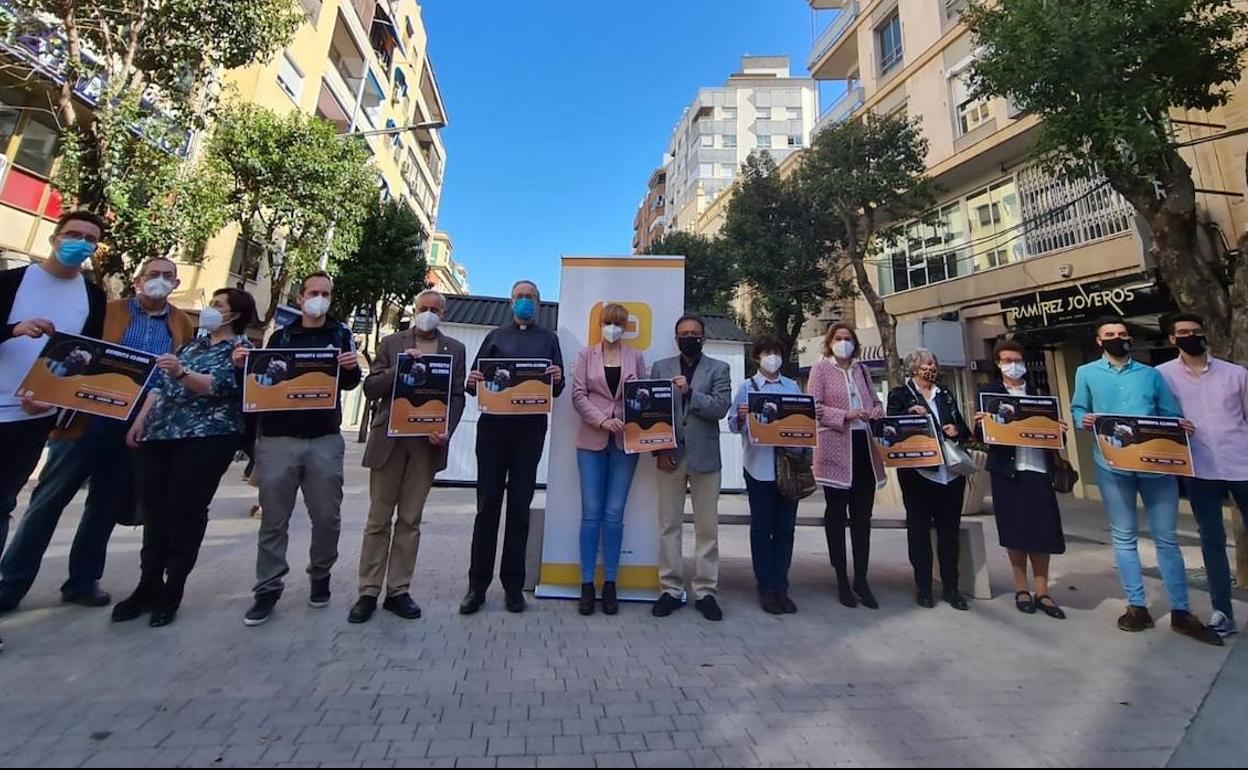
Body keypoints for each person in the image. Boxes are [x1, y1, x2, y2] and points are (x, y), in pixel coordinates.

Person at [0, 258, 193, 613]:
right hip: (85, 418)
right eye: (153, 275)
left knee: (104, 506)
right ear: (137, 281)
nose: (160, 281)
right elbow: (74, 350)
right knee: (48, 501)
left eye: (168, 276)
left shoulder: (182, 322)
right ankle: (11, 584)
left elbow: (172, 376)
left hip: (133, 422)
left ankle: (83, 581)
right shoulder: (107, 310)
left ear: (177, 283)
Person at [1071, 316, 1221, 645]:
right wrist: (1085, 419)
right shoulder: (1087, 373)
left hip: (1155, 466)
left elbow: (1168, 412)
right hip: (1113, 466)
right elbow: (1078, 408)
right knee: (1124, 537)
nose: (1117, 338)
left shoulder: (1150, 375)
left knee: (1166, 538)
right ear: (1099, 341)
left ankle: (1181, 610)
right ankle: (1137, 606)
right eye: (1109, 334)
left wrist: (1179, 425)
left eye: (1122, 334)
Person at [112, 288, 257, 628]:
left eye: (219, 306)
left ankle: (172, 588)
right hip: (160, 433)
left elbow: (215, 386)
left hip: (206, 438)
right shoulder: (191, 344)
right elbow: (159, 384)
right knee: (154, 509)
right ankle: (148, 583)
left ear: (235, 315)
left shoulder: (241, 351)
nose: (211, 310)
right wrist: (141, 419)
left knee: (184, 511)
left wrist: (180, 373)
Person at [243, 272, 361, 627]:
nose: (319, 299)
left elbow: (352, 382)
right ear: (301, 298)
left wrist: (352, 369)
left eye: (325, 293)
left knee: (327, 516)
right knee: (274, 519)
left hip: (324, 438)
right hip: (280, 438)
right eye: (314, 292)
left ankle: (320, 573)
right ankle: (267, 587)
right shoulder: (282, 336)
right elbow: (262, 381)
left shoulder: (341, 335)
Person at [349, 290, 467, 624]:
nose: (428, 313)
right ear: (414, 311)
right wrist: (399, 369)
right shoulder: (391, 343)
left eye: (434, 309)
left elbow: (456, 396)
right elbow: (370, 388)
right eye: (423, 308)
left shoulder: (455, 350)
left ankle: (398, 590)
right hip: (389, 441)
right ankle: (368, 591)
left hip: (426, 445)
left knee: (410, 520)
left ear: (443, 314)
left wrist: (447, 428)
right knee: (378, 519)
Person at [460, 280, 564, 615]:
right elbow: (474, 383)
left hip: (529, 434)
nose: (524, 302)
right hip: (492, 432)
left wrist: (557, 377)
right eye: (519, 297)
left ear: (538, 302)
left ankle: (513, 586)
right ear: (511, 301)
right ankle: (477, 587)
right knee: (486, 507)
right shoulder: (495, 337)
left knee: (519, 508)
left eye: (530, 298)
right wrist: (472, 381)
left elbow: (558, 388)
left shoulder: (549, 339)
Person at [1158, 313, 1248, 638]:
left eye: (1196, 331)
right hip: (1199, 469)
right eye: (1183, 332)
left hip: (1242, 465)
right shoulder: (1162, 376)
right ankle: (1223, 612)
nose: (1191, 336)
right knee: (1212, 542)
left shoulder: (1235, 374)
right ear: (1172, 339)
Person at [974, 340, 1067, 620]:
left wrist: (1058, 428)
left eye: (1016, 359)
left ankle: (1043, 590)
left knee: (1042, 530)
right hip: (1008, 470)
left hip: (1039, 469)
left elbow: (1056, 437)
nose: (1012, 365)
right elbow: (981, 438)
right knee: (1015, 531)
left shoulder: (1039, 394)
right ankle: (1021, 588)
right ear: (998, 364)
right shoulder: (990, 393)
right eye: (1006, 360)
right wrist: (980, 425)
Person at [650, 314, 732, 621]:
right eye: (684, 333)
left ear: (703, 338)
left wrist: (691, 394)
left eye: (694, 333)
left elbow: (721, 408)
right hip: (669, 454)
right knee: (668, 525)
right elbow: (652, 411)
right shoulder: (661, 368)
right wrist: (659, 448)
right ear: (676, 338)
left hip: (706, 457)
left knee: (706, 528)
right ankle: (670, 589)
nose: (689, 337)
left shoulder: (719, 369)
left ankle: (705, 591)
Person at [571, 303, 647, 616]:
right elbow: (578, 395)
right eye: (608, 322)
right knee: (591, 513)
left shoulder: (636, 358)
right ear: (600, 324)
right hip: (591, 440)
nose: (613, 327)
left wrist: (625, 418)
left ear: (626, 326)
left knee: (614, 514)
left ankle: (611, 584)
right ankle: (587, 584)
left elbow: (643, 395)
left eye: (618, 323)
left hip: (625, 441)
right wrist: (603, 420)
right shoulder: (585, 356)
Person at [729, 334, 811, 615]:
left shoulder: (791, 386)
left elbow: (804, 423)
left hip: (789, 467)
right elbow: (733, 424)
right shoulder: (746, 387)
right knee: (762, 529)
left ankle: (781, 586)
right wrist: (741, 416)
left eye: (776, 352)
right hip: (759, 468)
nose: (772, 358)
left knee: (786, 530)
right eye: (767, 353)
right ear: (757, 357)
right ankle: (765, 587)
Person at [887, 349, 973, 611]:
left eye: (933, 364)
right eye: (926, 364)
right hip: (918, 473)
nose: (931, 368)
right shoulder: (900, 395)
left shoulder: (945, 394)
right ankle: (923, 587)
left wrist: (956, 429)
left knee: (949, 533)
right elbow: (891, 428)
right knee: (919, 532)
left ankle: (951, 587)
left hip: (950, 473)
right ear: (913, 368)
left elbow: (964, 430)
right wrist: (909, 416)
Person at [808, 323, 886, 609]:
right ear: (829, 343)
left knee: (862, 518)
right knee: (837, 515)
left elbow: (875, 400)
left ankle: (861, 579)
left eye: (848, 339)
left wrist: (876, 410)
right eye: (839, 339)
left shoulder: (861, 369)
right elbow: (813, 407)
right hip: (836, 449)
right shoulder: (821, 370)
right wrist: (845, 414)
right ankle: (841, 577)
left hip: (863, 448)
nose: (844, 343)